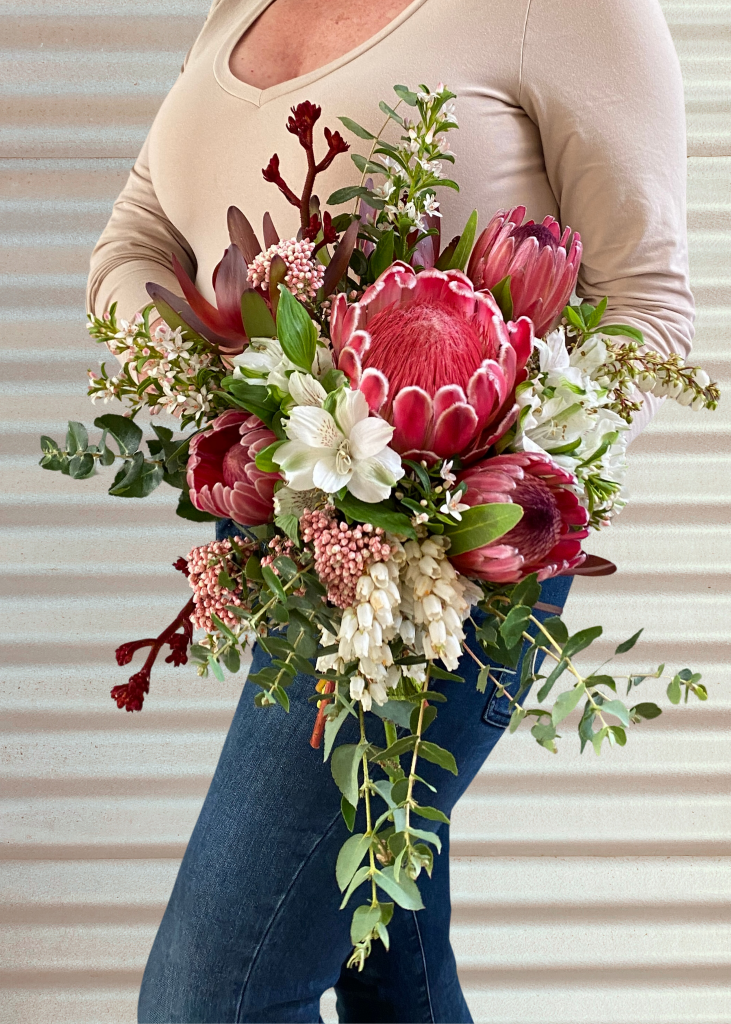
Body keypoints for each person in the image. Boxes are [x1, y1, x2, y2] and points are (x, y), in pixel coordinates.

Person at [87, 0, 695, 1020]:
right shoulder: (242, 8)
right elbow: (135, 238)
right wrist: (240, 387)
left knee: (215, 996)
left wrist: (467, 489)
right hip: (284, 543)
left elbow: (648, 313)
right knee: (392, 975)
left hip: (440, 573)